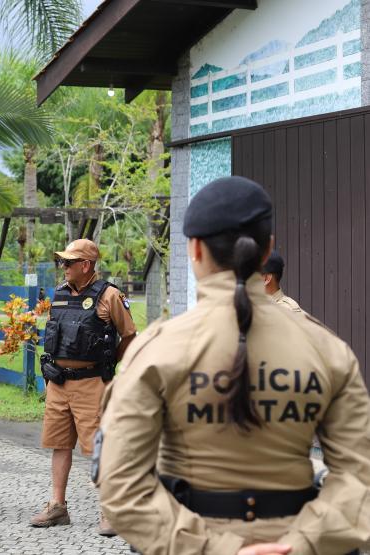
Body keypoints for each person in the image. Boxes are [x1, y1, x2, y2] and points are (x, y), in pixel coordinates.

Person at [97, 176, 370, 554]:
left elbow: (120, 486)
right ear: (267, 249)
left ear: (194, 249)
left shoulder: (156, 351)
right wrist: (302, 543)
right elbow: (361, 479)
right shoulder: (328, 350)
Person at [30, 238, 136, 536]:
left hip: (92, 383)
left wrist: (111, 366)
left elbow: (129, 335)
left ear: (86, 265)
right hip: (59, 382)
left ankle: (110, 511)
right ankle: (57, 506)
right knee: (59, 443)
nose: (62, 267)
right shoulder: (60, 294)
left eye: (68, 262)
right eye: (62, 262)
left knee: (100, 449)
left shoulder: (109, 295)